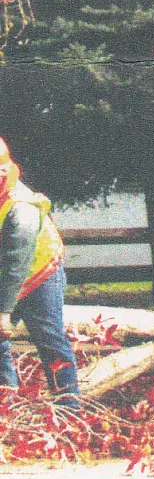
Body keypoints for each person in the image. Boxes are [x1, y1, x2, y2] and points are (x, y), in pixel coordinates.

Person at [0, 140, 79, 411]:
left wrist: (3, 313)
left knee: (49, 339)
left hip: (39, 273)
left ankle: (70, 408)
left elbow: (15, 266)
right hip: (8, 271)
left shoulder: (21, 210)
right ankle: (5, 405)